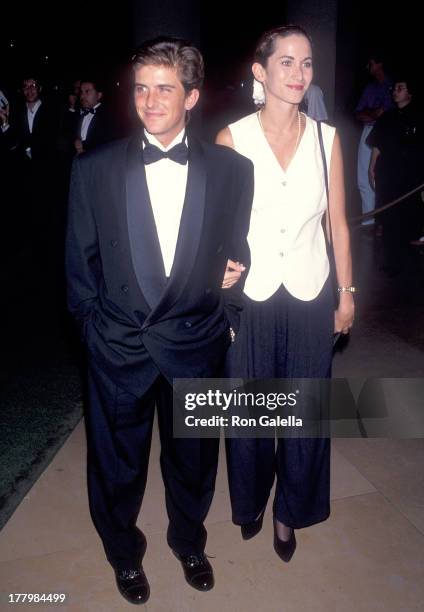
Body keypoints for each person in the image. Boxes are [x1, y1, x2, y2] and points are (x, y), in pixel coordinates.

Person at [66, 37, 253, 605]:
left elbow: (237, 250)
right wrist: (93, 333)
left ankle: (189, 541)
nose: (149, 101)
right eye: (141, 88)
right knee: (116, 465)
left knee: (194, 460)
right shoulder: (94, 168)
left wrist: (231, 298)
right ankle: (124, 552)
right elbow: (79, 263)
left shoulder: (232, 170)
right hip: (118, 343)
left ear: (192, 96)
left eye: (164, 89)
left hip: (196, 341)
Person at [216, 25, 354, 562]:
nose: (298, 74)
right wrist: (216, 270)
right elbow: (214, 226)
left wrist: (346, 291)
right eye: (286, 63)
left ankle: (288, 511)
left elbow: (338, 224)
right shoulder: (231, 138)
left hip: (309, 289)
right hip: (251, 296)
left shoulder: (328, 139)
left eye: (307, 64)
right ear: (261, 71)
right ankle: (249, 501)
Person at [367, 76, 424, 275]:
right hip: (387, 174)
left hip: (409, 177)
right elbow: (377, 145)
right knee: (389, 219)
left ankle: (409, 265)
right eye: (395, 87)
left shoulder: (419, 116)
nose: (395, 91)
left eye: (400, 87)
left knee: (408, 219)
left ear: (410, 92)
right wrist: (372, 166)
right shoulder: (387, 117)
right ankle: (391, 263)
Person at [355, 53, 393, 226]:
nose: (368, 67)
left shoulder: (392, 85)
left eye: (370, 63)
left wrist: (373, 113)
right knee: (363, 177)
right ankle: (368, 220)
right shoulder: (369, 88)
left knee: (383, 175)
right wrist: (373, 113)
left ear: (379, 63)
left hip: (387, 134)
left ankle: (385, 221)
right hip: (368, 131)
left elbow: (385, 113)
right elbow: (359, 113)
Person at [73, 78, 116, 155]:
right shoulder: (79, 114)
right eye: (81, 92)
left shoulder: (109, 115)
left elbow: (108, 143)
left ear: (99, 95)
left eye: (87, 91)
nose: (82, 96)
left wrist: (83, 145)